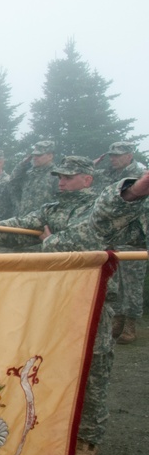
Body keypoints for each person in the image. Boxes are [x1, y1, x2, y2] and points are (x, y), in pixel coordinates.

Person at [0, 156, 111, 455]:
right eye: (60, 176)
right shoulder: (53, 208)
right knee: (51, 360)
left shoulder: (100, 208)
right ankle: (56, 424)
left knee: (93, 365)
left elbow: (86, 241)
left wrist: (51, 242)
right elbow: (21, 226)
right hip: (56, 295)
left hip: (90, 295)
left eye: (69, 176)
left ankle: (88, 436)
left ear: (87, 179)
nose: (61, 180)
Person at [94, 141, 146, 344]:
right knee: (114, 281)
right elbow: (86, 176)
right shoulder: (109, 173)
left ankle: (131, 324)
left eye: (118, 155)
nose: (113, 158)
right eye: (112, 155)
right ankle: (118, 319)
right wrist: (94, 164)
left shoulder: (140, 173)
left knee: (132, 282)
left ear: (129, 155)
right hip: (113, 235)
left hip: (134, 236)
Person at [6, 140, 58, 219]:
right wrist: (22, 165)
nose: (35, 158)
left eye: (39, 155)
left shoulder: (56, 175)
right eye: (34, 155)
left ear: (50, 156)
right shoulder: (29, 174)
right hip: (23, 221)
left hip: (43, 224)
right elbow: (12, 182)